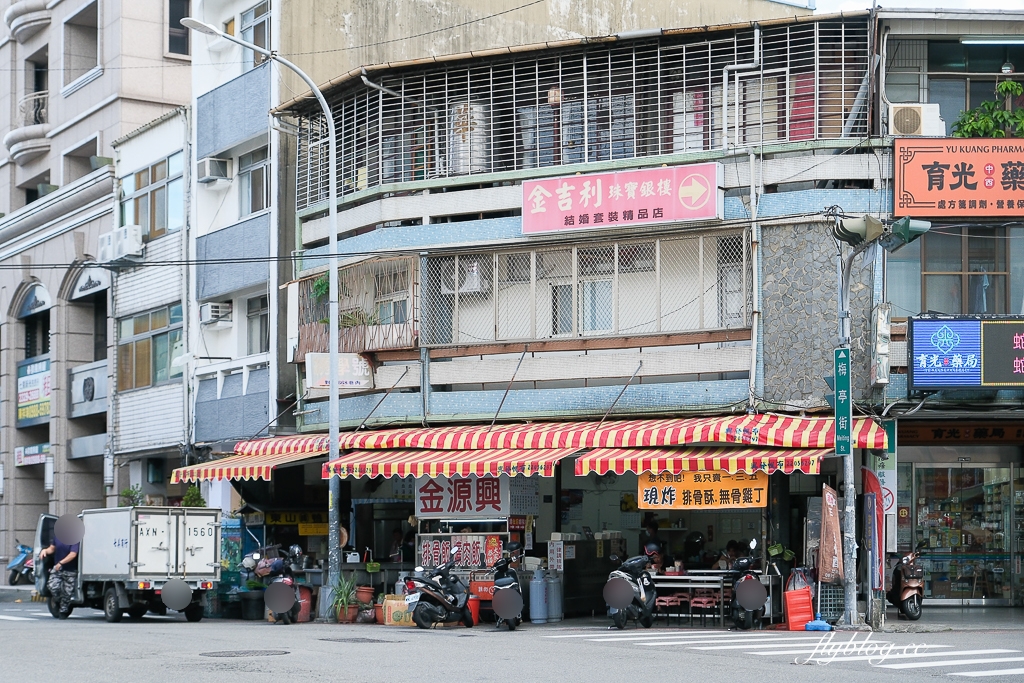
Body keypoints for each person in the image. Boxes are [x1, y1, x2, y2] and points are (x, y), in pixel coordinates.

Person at [39, 535, 80, 618]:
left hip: (70, 570)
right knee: (52, 586)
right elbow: (52, 548)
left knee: (67, 593)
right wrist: (45, 551)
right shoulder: (57, 537)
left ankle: (63, 611)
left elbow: (73, 554)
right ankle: (58, 601)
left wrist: (61, 563)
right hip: (58, 568)